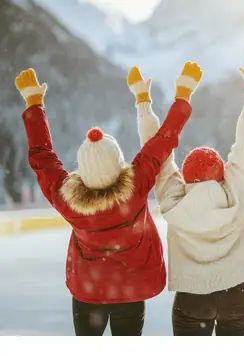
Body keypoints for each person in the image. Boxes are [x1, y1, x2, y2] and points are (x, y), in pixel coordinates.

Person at [14, 63, 202, 336]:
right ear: (118, 162)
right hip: (131, 291)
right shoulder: (136, 185)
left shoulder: (68, 200)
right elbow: (163, 140)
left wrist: (34, 104)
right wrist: (183, 94)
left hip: (88, 293)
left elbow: (42, 157)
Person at [128, 52, 244, 336]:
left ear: (187, 176)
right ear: (221, 170)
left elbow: (158, 154)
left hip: (192, 298)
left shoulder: (174, 200)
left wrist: (143, 103)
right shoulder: (236, 188)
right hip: (235, 294)